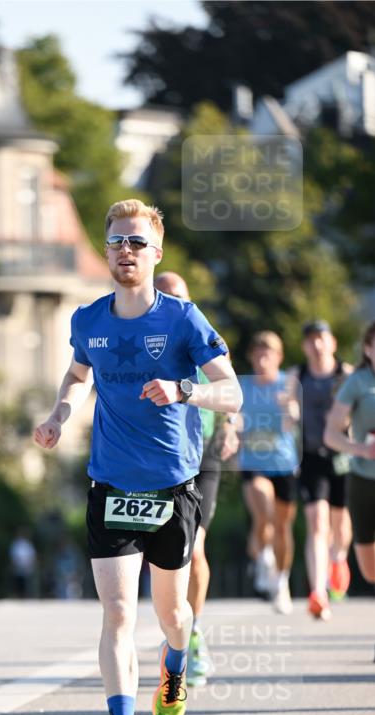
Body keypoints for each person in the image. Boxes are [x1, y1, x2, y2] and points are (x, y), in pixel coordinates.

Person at [34, 199, 242, 715]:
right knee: (119, 612)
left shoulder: (183, 319)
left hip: (173, 487)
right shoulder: (88, 320)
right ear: (106, 250)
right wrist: (58, 415)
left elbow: (232, 393)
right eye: (116, 241)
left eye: (136, 242)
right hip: (110, 484)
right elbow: (78, 374)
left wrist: (184, 390)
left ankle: (175, 663)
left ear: (156, 253)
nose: (125, 251)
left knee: (172, 615)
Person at [154, 271, 239, 685]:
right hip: (158, 454)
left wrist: (232, 428)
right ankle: (174, 628)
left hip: (202, 453)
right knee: (162, 550)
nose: (172, 303)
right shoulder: (144, 339)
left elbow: (231, 388)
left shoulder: (202, 335)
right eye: (164, 296)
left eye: (179, 297)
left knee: (196, 546)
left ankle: (194, 631)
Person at [288, 320, 353, 620]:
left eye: (321, 338)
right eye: (311, 339)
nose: (316, 345)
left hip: (343, 456)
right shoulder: (297, 375)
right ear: (304, 345)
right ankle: (318, 591)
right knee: (317, 523)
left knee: (340, 525)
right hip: (310, 456)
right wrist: (288, 412)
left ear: (332, 343)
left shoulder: (346, 374)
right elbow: (286, 410)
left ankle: (338, 558)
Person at [238, 332, 299, 614]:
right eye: (258, 352)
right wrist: (234, 427)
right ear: (252, 356)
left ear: (279, 357)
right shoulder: (243, 386)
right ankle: (263, 557)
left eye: (269, 353)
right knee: (263, 512)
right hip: (253, 462)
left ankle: (281, 582)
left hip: (284, 463)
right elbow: (234, 416)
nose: (263, 357)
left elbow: (293, 419)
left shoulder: (287, 384)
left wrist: (290, 410)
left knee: (282, 527)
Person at [323, 321, 375, 586]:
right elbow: (331, 434)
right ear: (368, 349)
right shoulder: (357, 382)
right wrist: (362, 449)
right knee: (370, 571)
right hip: (363, 479)